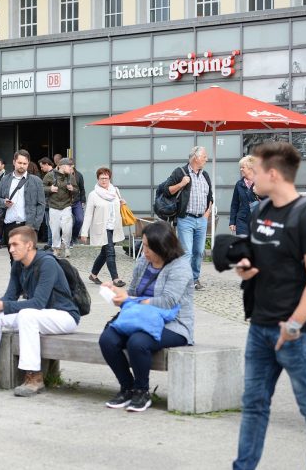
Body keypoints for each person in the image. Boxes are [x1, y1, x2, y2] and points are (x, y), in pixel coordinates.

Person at [232, 142, 306, 470]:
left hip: (298, 333)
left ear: (272, 173)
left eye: (254, 168)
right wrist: (247, 268)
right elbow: (258, 260)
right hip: (260, 329)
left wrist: (295, 324)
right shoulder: (260, 211)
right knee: (254, 407)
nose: (249, 174)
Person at [0, 226, 80, 396]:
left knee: (27, 315)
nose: (11, 249)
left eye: (15, 245)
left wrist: (3, 306)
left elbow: (38, 303)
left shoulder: (47, 263)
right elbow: (10, 297)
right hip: (38, 315)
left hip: (64, 316)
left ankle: (34, 377)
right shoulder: (18, 265)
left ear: (29, 245)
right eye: (10, 245)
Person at [98, 221, 193, 412]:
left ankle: (142, 391)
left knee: (137, 341)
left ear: (162, 247)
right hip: (139, 318)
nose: (144, 250)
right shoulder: (143, 262)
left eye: (148, 247)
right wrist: (117, 293)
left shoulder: (180, 267)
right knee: (107, 339)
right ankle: (127, 388)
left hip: (173, 324)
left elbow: (167, 301)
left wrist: (131, 299)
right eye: (144, 244)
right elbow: (132, 291)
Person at [163, 146, 213, 290]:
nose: (206, 159)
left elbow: (210, 196)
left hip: (201, 220)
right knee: (187, 252)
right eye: (204, 156)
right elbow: (167, 191)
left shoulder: (205, 175)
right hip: (186, 219)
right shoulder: (180, 172)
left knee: (198, 252)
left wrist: (207, 212)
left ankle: (195, 279)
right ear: (195, 157)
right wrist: (181, 184)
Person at [0, 150, 45, 262]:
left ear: (28, 164)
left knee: (29, 260)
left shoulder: (36, 181)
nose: (22, 166)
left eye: (25, 163)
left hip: (28, 225)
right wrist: (4, 202)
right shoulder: (5, 179)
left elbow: (41, 205)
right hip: (9, 225)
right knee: (14, 259)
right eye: (19, 163)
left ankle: (27, 280)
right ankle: (17, 279)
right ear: (14, 162)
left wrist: (35, 226)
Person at [81, 167, 127, 287]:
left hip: (114, 226)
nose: (104, 180)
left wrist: (122, 203)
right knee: (110, 252)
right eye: (101, 178)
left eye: (106, 178)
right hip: (102, 227)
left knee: (104, 253)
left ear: (109, 178)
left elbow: (118, 206)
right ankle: (115, 279)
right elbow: (88, 214)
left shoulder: (115, 191)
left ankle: (93, 274)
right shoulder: (93, 194)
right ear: (97, 179)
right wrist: (84, 232)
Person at [45, 158, 78, 258]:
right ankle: (56, 248)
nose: (71, 169)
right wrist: (50, 189)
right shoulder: (50, 175)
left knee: (67, 228)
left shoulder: (71, 177)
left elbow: (77, 190)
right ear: (62, 166)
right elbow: (42, 187)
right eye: (70, 166)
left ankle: (66, 246)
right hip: (53, 206)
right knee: (54, 229)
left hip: (66, 206)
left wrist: (72, 189)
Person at [229, 155, 260, 236]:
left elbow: (269, 200)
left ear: (251, 168)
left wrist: (257, 193)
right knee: (242, 246)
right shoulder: (239, 184)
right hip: (242, 221)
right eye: (240, 167)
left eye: (243, 167)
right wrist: (232, 222)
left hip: (258, 220)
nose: (241, 169)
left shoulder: (261, 183)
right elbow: (234, 204)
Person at [70, 161, 86, 244]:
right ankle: (68, 239)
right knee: (67, 222)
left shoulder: (79, 175)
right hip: (66, 202)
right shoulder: (62, 175)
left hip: (77, 201)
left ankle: (74, 236)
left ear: (73, 165)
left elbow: (82, 189)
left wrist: (83, 200)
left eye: (70, 165)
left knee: (80, 219)